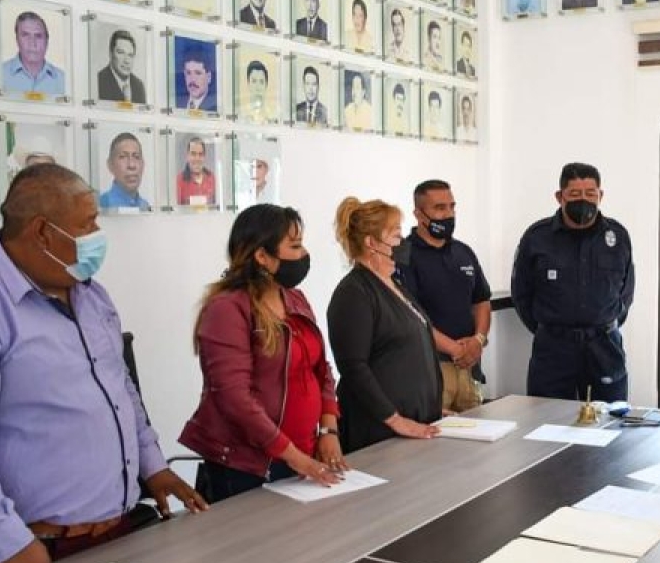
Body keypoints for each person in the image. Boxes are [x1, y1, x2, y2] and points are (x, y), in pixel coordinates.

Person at [0, 163, 206, 563]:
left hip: (115, 532)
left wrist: (152, 464)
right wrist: (5, 540)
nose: (98, 235)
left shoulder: (88, 293)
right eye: (88, 224)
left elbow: (120, 389)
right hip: (34, 548)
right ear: (42, 232)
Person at [180, 204, 344, 502]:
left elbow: (321, 369)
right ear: (262, 256)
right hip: (248, 466)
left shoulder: (296, 299)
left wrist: (328, 431)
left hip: (300, 456)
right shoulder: (227, 309)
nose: (304, 253)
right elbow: (234, 399)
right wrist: (293, 456)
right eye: (295, 246)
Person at [511, 162, 635, 401]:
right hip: (554, 348)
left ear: (600, 195)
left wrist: (604, 322)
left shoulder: (618, 236)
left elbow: (626, 291)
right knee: (546, 416)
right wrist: (551, 329)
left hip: (604, 346)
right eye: (575, 194)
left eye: (591, 194)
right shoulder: (537, 237)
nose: (584, 200)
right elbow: (522, 294)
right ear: (560, 197)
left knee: (611, 417)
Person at [327, 197, 442, 453]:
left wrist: (432, 407)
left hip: (414, 425)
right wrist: (395, 419)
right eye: (396, 235)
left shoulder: (394, 285)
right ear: (371, 242)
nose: (403, 243)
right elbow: (354, 367)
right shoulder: (354, 293)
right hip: (378, 430)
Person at [400, 180, 491, 413]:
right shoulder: (402, 254)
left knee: (476, 431)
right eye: (439, 208)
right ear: (418, 214)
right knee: (436, 433)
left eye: (452, 206)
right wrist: (454, 349)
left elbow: (481, 300)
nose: (448, 214)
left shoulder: (463, 251)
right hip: (431, 369)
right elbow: (410, 315)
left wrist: (478, 340)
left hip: (469, 367)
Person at [0, 11, 65, 95]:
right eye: (25, 35)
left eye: (38, 36)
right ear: (17, 39)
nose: (32, 43)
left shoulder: (64, 80)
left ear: (47, 41)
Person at [98, 132, 149, 210]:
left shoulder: (145, 207)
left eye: (136, 157)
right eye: (123, 157)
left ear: (143, 164)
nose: (131, 165)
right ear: (110, 165)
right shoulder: (101, 206)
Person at [96, 29, 147, 104]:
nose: (126, 61)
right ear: (110, 53)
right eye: (121, 53)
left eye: (130, 55)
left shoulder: (139, 86)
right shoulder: (98, 81)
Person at [175, 136, 217, 205]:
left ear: (204, 156)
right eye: (193, 154)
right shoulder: (179, 181)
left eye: (200, 154)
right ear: (187, 156)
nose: (197, 158)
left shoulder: (212, 178)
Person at [178, 46, 216, 111]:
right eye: (188, 73)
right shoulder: (177, 103)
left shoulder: (215, 106)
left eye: (198, 73)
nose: (192, 79)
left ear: (209, 77)